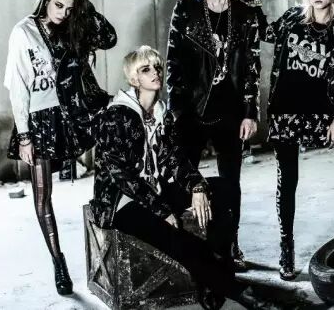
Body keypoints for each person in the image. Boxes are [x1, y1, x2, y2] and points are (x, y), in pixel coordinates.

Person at [91, 46, 270, 309]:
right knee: (178, 240)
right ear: (134, 79)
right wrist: (162, 210)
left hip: (155, 191)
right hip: (122, 202)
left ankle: (214, 275)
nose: (156, 73)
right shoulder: (116, 115)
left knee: (226, 189)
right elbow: (122, 176)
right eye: (146, 69)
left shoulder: (160, 112)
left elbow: (175, 158)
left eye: (157, 67)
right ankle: (239, 292)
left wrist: (197, 186)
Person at [3, 0, 117, 295]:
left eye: (69, 8)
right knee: (43, 195)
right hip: (40, 119)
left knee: (114, 150)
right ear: (46, 0)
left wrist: (84, 7)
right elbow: (17, 86)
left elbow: (109, 38)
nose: (62, 13)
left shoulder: (73, 26)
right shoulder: (23, 31)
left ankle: (109, 231)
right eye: (58, 5)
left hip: (75, 112)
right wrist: (24, 136)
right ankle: (58, 261)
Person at [166, 0, 266, 271]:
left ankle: (230, 245)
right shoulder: (185, 11)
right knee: (184, 179)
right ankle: (187, 246)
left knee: (231, 182)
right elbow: (173, 65)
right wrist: (177, 113)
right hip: (192, 110)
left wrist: (251, 112)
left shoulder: (244, 11)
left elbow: (252, 65)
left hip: (230, 110)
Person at [262, 0, 334, 280]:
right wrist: (248, 4)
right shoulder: (292, 18)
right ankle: (286, 246)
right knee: (287, 179)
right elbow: (265, 32)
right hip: (285, 112)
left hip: (321, 114)